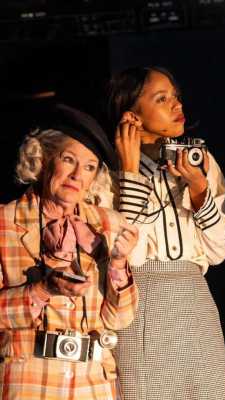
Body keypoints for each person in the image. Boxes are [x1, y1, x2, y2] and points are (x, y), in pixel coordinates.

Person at [107, 66, 225, 400]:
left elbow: (221, 251)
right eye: (161, 99)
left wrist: (199, 191)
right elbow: (126, 254)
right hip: (141, 298)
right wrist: (131, 172)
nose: (177, 106)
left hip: (195, 299)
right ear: (131, 113)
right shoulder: (107, 171)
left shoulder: (199, 161)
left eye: (175, 97)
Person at [0, 104, 139, 400]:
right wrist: (41, 290)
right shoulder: (4, 222)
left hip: (93, 383)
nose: (77, 175)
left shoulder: (107, 224)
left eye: (89, 166)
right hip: (28, 381)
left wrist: (117, 265)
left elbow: (120, 319)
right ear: (42, 158)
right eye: (68, 159)